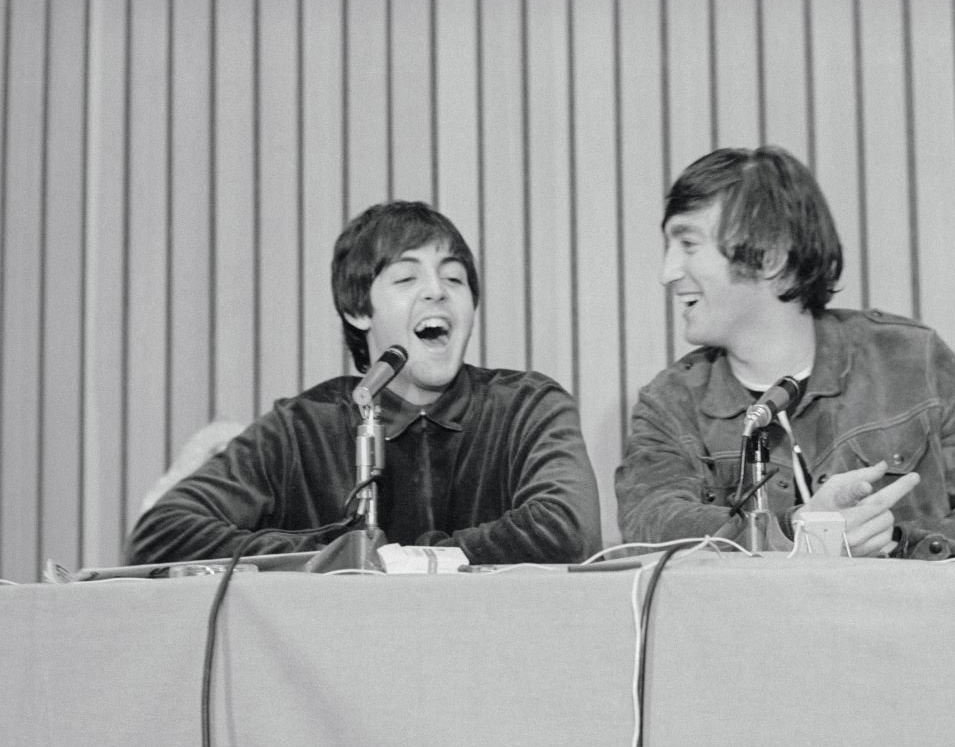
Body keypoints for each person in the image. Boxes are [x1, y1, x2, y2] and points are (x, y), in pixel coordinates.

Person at [615, 146, 955, 557]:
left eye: (688, 245)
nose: (666, 272)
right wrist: (794, 529)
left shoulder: (909, 359)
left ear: (770, 257)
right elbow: (650, 524)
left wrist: (892, 541)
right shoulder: (671, 403)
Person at [128, 201, 601, 565]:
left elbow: (567, 527)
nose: (437, 290)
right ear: (358, 310)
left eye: (454, 278)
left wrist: (398, 561)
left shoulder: (527, 406)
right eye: (407, 278)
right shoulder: (301, 428)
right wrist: (332, 554)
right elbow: (162, 534)